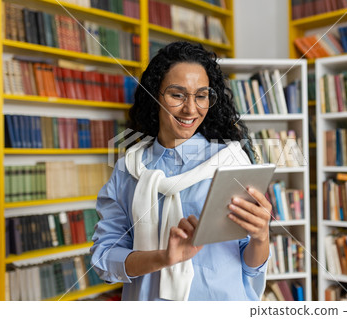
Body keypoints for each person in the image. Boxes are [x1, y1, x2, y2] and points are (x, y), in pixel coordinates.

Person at [91, 41, 272, 301]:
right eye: (177, 95)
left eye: (201, 96)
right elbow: (104, 259)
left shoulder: (232, 161)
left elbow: (250, 265)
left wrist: (260, 237)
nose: (190, 109)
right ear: (155, 96)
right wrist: (162, 258)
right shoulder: (128, 169)